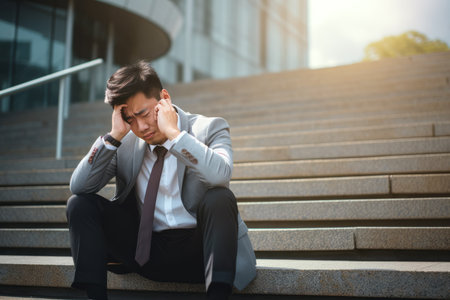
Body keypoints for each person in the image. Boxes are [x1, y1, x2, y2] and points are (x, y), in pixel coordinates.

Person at [66, 61, 256, 300]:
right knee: (79, 203)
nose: (141, 126)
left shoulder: (209, 128)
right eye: (130, 119)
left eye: (144, 113)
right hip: (144, 251)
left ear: (164, 97)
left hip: (201, 254)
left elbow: (220, 175)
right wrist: (113, 136)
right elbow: (80, 186)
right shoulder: (123, 143)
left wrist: (175, 135)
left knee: (220, 197)